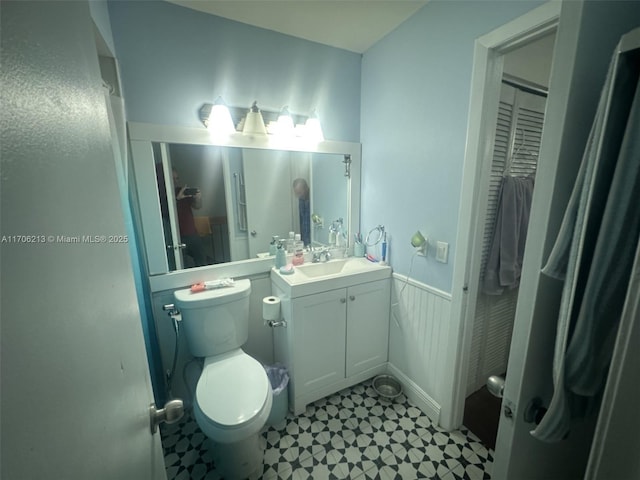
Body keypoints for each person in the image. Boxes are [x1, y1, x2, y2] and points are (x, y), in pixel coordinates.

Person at [173, 168, 206, 267]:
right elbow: (165, 211)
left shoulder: (182, 191)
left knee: (201, 261)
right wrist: (177, 199)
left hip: (192, 233)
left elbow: (197, 207)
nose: (175, 181)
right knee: (183, 265)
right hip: (177, 237)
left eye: (177, 178)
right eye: (172, 178)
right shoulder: (162, 194)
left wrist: (198, 198)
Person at [292, 178, 311, 246]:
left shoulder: (314, 198)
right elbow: (301, 220)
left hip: (313, 237)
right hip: (304, 238)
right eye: (296, 193)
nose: (298, 195)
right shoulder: (301, 200)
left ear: (306, 188)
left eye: (300, 192)